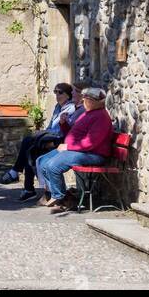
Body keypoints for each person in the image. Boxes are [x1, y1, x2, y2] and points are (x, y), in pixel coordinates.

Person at [35, 87, 114, 215]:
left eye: (86, 99)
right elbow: (72, 134)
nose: (83, 101)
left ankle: (60, 198)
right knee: (43, 162)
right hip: (78, 150)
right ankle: (66, 198)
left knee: (53, 166)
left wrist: (68, 147)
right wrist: (63, 124)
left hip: (93, 154)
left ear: (93, 101)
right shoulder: (87, 113)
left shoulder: (101, 117)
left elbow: (91, 143)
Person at [0, 84, 80, 200]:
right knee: (30, 150)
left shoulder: (71, 108)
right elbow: (51, 127)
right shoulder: (57, 107)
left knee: (29, 144)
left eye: (60, 92)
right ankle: (28, 188)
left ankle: (20, 177)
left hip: (59, 141)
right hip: (51, 137)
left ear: (68, 95)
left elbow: (65, 132)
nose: (57, 95)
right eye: (55, 92)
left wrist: (51, 139)